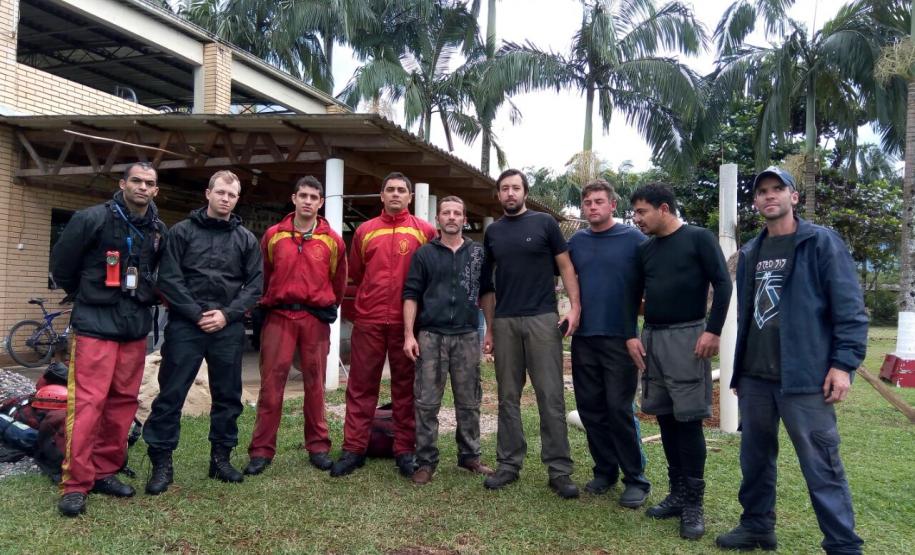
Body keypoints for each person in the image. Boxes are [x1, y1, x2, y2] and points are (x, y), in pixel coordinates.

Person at [715, 167, 867, 554]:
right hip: (755, 378)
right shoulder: (751, 251)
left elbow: (850, 309)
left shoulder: (820, 242)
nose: (769, 195)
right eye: (762, 191)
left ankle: (843, 545)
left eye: (777, 189)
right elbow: (747, 314)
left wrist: (843, 365)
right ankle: (757, 527)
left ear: (793, 197)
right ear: (755, 202)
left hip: (805, 378)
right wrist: (740, 372)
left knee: (821, 464)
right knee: (755, 460)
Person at [50, 162, 167, 517]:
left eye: (149, 183)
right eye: (136, 181)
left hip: (134, 327)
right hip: (95, 325)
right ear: (122, 184)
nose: (142, 187)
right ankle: (75, 484)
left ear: (156, 190)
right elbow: (62, 266)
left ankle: (104, 471)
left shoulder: (158, 230)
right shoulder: (91, 219)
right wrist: (88, 293)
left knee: (122, 403)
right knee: (88, 404)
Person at [143, 170, 263, 494]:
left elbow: (254, 286)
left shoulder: (246, 240)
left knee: (228, 396)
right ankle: (161, 464)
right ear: (208, 193)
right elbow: (168, 278)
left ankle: (221, 460)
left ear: (237, 199)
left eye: (232, 195)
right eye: (220, 192)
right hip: (186, 325)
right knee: (171, 395)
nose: (225, 199)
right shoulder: (181, 232)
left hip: (227, 327)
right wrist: (197, 315)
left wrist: (226, 315)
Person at [627, 184, 731, 540]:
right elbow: (632, 295)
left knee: (688, 421)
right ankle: (676, 494)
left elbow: (723, 284)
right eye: (635, 212)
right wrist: (631, 335)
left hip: (689, 338)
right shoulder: (645, 250)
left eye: (642, 211)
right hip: (652, 337)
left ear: (664, 209)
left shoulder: (698, 239)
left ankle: (693, 504)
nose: (637, 219)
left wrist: (713, 331)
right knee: (665, 417)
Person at [480, 168, 582, 499]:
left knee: (550, 395)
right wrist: (490, 327)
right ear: (498, 194)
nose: (510, 193)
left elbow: (565, 266)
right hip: (506, 322)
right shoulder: (493, 232)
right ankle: (508, 464)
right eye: (504, 188)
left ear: (525, 192)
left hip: (542, 318)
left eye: (515, 188)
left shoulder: (544, 224)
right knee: (507, 396)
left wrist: (575, 308)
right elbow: (487, 285)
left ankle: (559, 470)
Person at [330, 172, 436, 478]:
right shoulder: (365, 231)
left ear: (410, 197)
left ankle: (404, 450)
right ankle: (354, 449)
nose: (395, 194)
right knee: (361, 387)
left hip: (407, 324)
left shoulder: (424, 231)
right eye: (390, 189)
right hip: (370, 320)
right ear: (381, 195)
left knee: (405, 388)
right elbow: (358, 273)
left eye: (401, 190)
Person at [244, 176, 347, 476]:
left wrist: (327, 307)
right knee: (271, 385)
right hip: (279, 316)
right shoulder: (274, 235)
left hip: (314, 319)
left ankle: (318, 447)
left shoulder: (333, 240)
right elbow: (264, 274)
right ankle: (261, 451)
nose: (308, 201)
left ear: (321, 203)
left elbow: (338, 281)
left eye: (314, 197)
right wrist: (262, 306)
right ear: (294, 198)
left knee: (315, 384)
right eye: (303, 195)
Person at [567, 179, 651, 507]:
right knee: (590, 409)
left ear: (612, 205)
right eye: (588, 202)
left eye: (599, 201)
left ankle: (636, 479)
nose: (593, 207)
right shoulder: (577, 242)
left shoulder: (634, 239)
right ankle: (605, 470)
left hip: (621, 337)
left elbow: (653, 277)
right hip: (584, 338)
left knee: (619, 409)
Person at [402, 196, 494, 485]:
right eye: (446, 213)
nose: (452, 217)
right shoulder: (424, 254)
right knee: (426, 402)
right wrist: (409, 334)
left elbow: (487, 292)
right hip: (431, 336)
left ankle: (470, 456)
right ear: (438, 219)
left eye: (457, 213)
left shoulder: (478, 253)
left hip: (467, 335)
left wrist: (490, 330)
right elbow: (411, 294)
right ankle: (425, 461)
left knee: (469, 400)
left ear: (465, 219)